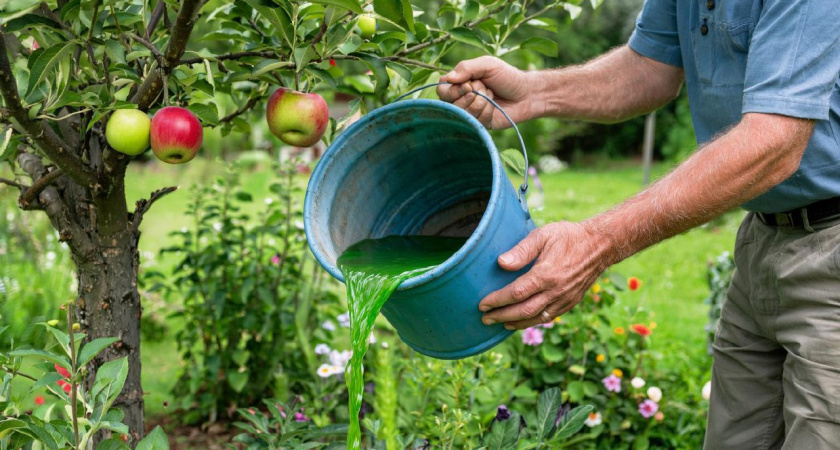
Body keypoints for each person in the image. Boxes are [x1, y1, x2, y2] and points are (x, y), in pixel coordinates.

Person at [437, 0, 840, 447]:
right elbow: (649, 67)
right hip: (763, 238)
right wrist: (533, 93)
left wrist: (597, 241)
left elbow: (775, 141)